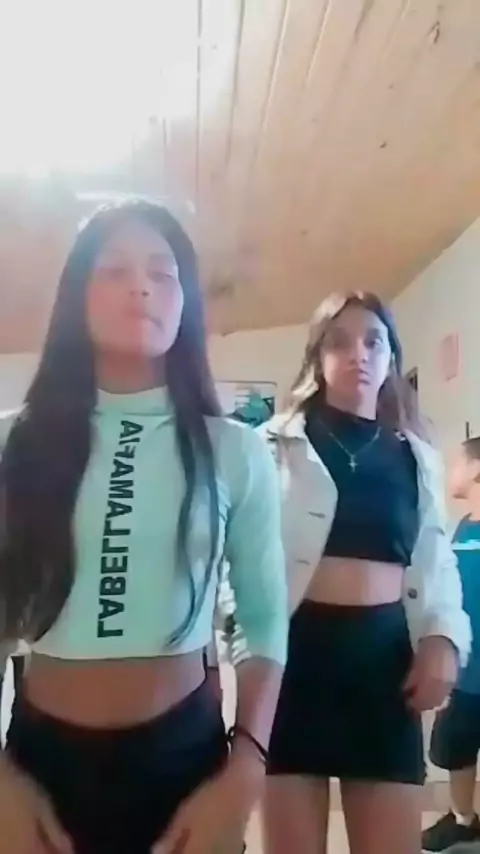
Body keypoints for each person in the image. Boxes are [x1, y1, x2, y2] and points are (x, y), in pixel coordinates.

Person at [0, 199, 289, 854]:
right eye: (115, 270)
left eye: (163, 273)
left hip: (185, 762)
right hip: (39, 762)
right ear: (77, 295)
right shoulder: (14, 444)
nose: (141, 286)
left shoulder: (234, 451)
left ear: (186, 302)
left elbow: (263, 617)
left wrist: (247, 768)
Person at [253, 292, 471, 854]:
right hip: (293, 668)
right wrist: (244, 647)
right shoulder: (271, 447)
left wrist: (444, 637)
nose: (359, 354)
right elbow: (238, 558)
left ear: (391, 357)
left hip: (384, 670)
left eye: (374, 342)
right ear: (316, 357)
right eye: (339, 342)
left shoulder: (415, 457)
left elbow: (435, 559)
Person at [422, 436, 480, 852]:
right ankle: (464, 821)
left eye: (459, 461)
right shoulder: (462, 526)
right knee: (455, 749)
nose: (451, 470)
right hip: (465, 672)